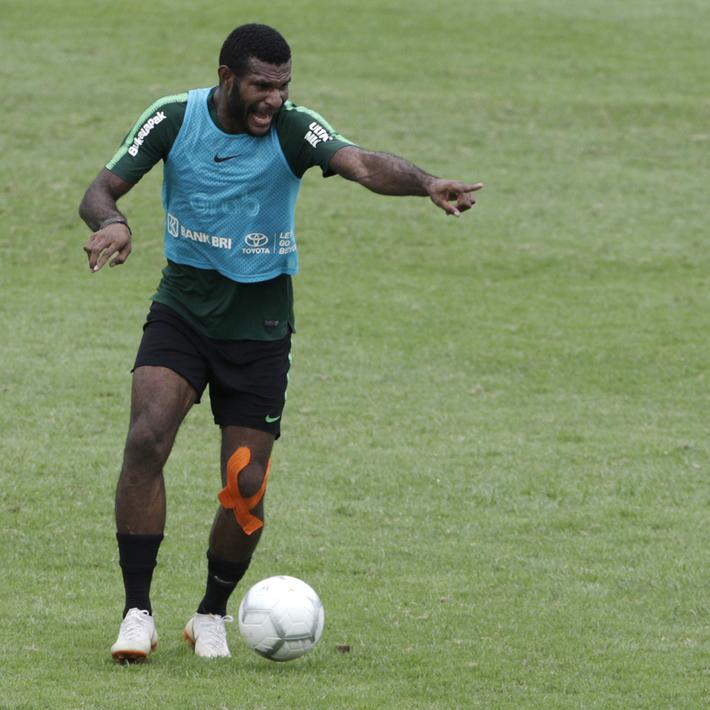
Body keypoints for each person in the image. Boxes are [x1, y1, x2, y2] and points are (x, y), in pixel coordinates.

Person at [79, 23, 482, 661]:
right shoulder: (173, 118)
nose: (274, 99)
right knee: (146, 437)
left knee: (246, 484)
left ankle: (210, 613)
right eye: (262, 86)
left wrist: (426, 183)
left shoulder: (295, 129)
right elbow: (99, 191)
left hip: (260, 327)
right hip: (183, 309)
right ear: (227, 80)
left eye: (283, 86)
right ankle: (137, 612)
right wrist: (115, 223)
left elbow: (362, 165)